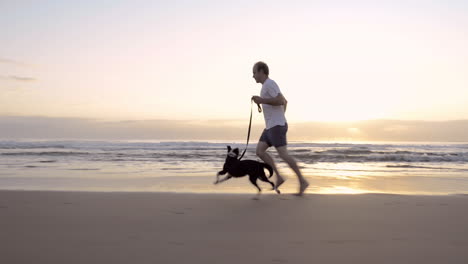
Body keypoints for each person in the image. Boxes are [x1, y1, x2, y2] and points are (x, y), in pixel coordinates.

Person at [251, 61, 309, 196]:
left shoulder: (270, 84)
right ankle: (279, 176)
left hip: (276, 127)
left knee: (283, 154)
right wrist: (279, 117)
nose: (253, 76)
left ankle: (302, 181)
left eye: (254, 73)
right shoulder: (266, 86)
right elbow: (285, 101)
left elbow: (281, 101)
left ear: (261, 71)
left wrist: (262, 101)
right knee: (260, 151)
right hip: (271, 127)